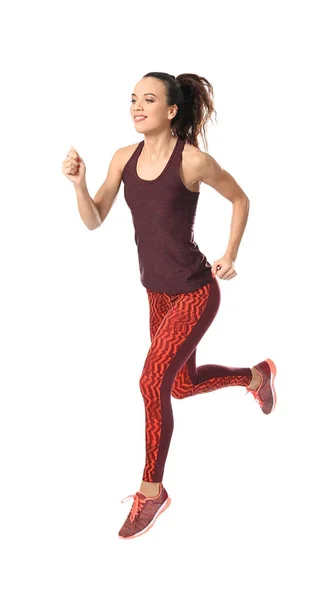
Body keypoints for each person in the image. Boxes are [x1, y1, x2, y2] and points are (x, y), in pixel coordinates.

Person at [62, 71, 277, 541]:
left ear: (171, 111)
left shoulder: (193, 161)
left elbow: (240, 198)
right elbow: (95, 219)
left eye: (149, 99)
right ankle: (256, 375)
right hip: (157, 295)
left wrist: (230, 254)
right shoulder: (124, 157)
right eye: (133, 99)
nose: (137, 107)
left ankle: (152, 491)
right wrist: (79, 185)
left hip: (195, 292)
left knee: (150, 380)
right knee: (179, 386)